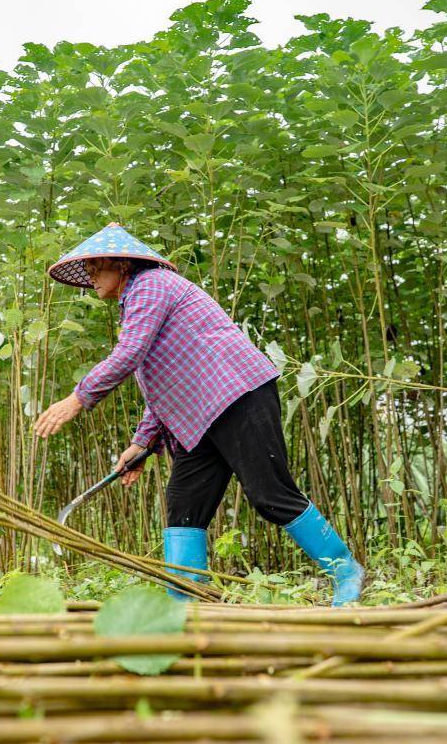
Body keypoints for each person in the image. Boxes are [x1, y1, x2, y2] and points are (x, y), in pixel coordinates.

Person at [34, 223, 365, 606]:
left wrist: (77, 399)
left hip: (237, 394)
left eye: (97, 270)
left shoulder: (151, 284)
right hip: (197, 417)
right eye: (88, 273)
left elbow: (128, 355)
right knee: (184, 504)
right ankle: (185, 601)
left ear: (122, 265)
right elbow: (158, 380)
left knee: (270, 494)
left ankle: (344, 569)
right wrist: (141, 443)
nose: (92, 280)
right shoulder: (136, 301)